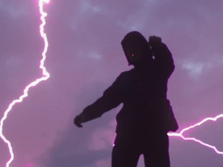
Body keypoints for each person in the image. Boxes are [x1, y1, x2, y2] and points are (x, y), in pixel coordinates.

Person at [74, 31, 178, 167]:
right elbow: (107, 100)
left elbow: (167, 63)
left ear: (143, 48)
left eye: (135, 46)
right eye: (128, 49)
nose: (131, 51)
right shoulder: (125, 79)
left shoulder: (156, 70)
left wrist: (158, 47)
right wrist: (86, 114)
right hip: (128, 134)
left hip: (155, 132)